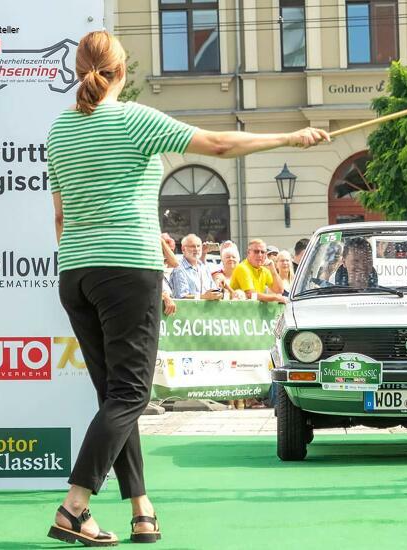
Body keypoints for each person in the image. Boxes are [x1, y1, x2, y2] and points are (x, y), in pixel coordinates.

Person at [46, 30, 329, 546]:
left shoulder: (61, 129)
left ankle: (141, 508)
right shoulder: (135, 120)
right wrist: (290, 138)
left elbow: (60, 218)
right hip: (126, 271)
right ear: (123, 71)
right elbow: (219, 144)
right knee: (130, 394)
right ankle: (75, 506)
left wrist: (82, 258)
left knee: (116, 397)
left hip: (76, 274)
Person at [170, 234, 222, 300]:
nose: (196, 249)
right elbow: (181, 297)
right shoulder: (179, 269)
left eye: (198, 246)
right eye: (192, 246)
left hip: (207, 309)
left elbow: (213, 290)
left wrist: (218, 293)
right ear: (183, 249)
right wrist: (203, 297)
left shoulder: (204, 268)